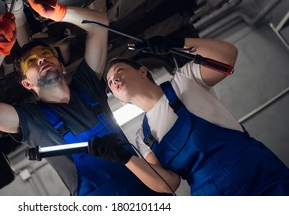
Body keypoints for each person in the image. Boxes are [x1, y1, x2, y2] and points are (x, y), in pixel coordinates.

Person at [0, 0, 168, 196]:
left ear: (62, 66)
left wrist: (60, 12)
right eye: (31, 62)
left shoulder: (87, 87)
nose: (41, 58)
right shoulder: (34, 121)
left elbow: (99, 23)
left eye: (46, 53)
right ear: (27, 84)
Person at [89, 36, 289, 195]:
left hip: (253, 171)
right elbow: (169, 184)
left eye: (119, 71)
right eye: (109, 83)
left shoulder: (185, 80)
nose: (114, 79)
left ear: (143, 71)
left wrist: (177, 42)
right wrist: (125, 159)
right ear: (119, 99)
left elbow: (228, 56)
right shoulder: (143, 137)